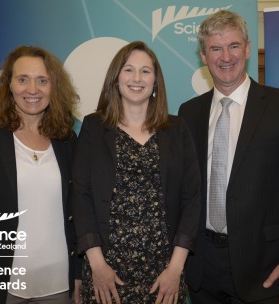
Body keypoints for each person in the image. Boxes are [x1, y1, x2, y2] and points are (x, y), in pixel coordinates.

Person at [178, 10, 279, 304]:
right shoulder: (189, 112)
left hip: (265, 268)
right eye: (215, 48)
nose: (225, 56)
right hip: (202, 266)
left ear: (248, 49)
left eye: (233, 46)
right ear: (204, 55)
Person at [0, 45, 81, 304]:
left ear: (54, 87)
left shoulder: (67, 140)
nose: (32, 89)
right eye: (23, 79)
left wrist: (78, 275)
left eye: (42, 80)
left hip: (57, 286)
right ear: (9, 84)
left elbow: (76, 214)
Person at [72, 41, 201, 304]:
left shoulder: (177, 129)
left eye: (145, 71)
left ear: (155, 82)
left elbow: (192, 199)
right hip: (106, 272)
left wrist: (176, 268)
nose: (136, 78)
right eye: (128, 70)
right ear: (116, 78)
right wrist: (97, 265)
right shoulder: (94, 127)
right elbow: (80, 195)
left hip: (163, 274)